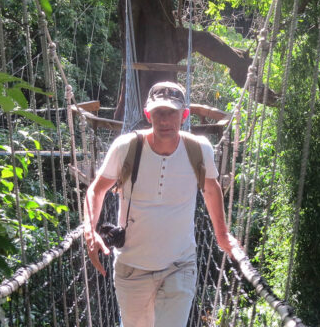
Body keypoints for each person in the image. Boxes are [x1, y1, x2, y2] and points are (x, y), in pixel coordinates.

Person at [84, 81, 238, 327]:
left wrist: (222, 236)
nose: (165, 120)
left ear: (184, 115)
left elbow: (211, 188)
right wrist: (90, 230)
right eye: (159, 112)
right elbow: (97, 189)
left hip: (179, 266)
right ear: (148, 114)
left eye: (171, 112)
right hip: (132, 268)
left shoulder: (200, 149)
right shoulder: (125, 147)